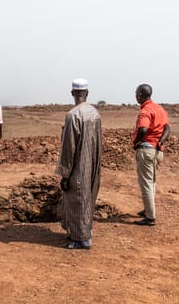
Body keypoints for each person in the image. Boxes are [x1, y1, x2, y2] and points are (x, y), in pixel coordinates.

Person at [55, 78, 102, 250]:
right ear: (87, 94)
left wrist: (65, 174)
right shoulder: (94, 113)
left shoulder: (72, 115)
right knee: (87, 200)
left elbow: (68, 148)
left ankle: (80, 239)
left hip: (78, 167)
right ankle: (85, 233)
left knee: (77, 201)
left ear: (73, 93)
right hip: (92, 165)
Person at [131, 84, 171, 226]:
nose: (135, 96)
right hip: (157, 150)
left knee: (146, 183)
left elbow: (143, 129)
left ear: (141, 95)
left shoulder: (146, 110)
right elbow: (167, 128)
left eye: (136, 93)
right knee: (152, 181)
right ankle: (148, 209)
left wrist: (136, 143)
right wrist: (161, 142)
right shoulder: (159, 109)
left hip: (146, 149)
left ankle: (150, 217)